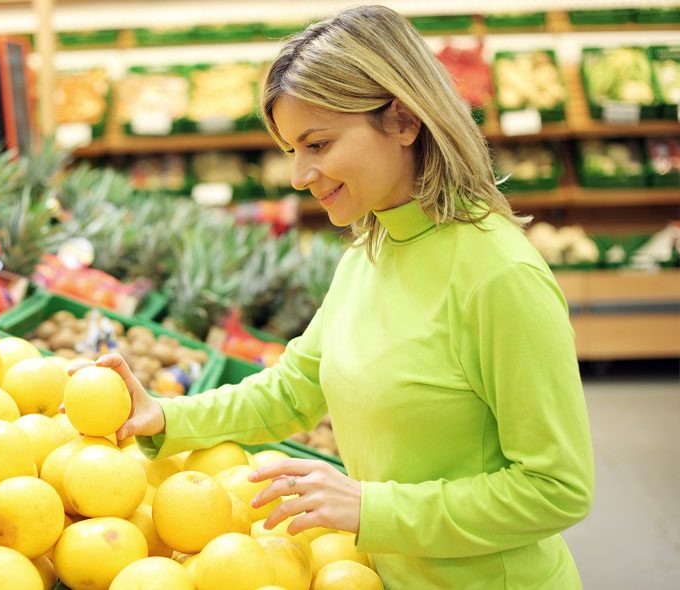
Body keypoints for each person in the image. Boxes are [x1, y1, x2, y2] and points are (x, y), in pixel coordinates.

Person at [74, 5, 594, 588]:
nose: (299, 174)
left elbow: (557, 489)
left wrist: (372, 509)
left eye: (317, 143)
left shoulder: (499, 276)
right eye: (292, 149)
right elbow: (292, 391)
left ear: (402, 120)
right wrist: (164, 416)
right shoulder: (369, 252)